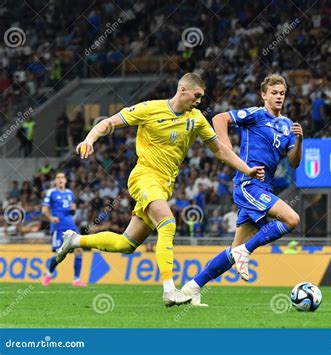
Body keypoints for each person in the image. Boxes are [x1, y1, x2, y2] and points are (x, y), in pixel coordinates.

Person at [54, 73, 264, 307]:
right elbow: (109, 122)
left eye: (201, 98)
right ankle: (169, 290)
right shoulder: (150, 109)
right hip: (144, 176)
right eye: (196, 96)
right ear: (182, 90)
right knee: (168, 223)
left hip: (164, 186)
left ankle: (75, 241)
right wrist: (89, 139)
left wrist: (247, 169)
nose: (199, 102)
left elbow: (220, 150)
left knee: (127, 243)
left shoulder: (196, 119)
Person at [181, 74, 303, 306]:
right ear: (264, 95)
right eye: (274, 93)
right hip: (249, 184)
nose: (279, 97)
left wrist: (299, 141)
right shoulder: (256, 115)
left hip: (265, 186)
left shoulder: (288, 125)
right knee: (292, 219)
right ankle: (245, 251)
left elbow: (294, 162)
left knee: (233, 250)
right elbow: (219, 119)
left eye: (282, 93)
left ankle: (192, 287)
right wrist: (227, 149)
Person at [41, 172, 86, 287]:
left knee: (79, 250)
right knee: (60, 254)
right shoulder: (51, 192)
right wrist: (51, 218)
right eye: (58, 177)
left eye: (62, 177)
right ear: (55, 181)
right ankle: (49, 274)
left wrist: (74, 209)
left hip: (71, 226)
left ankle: (76, 279)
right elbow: (44, 209)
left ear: (66, 180)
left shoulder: (70, 193)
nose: (60, 179)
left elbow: (72, 211)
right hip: (59, 226)